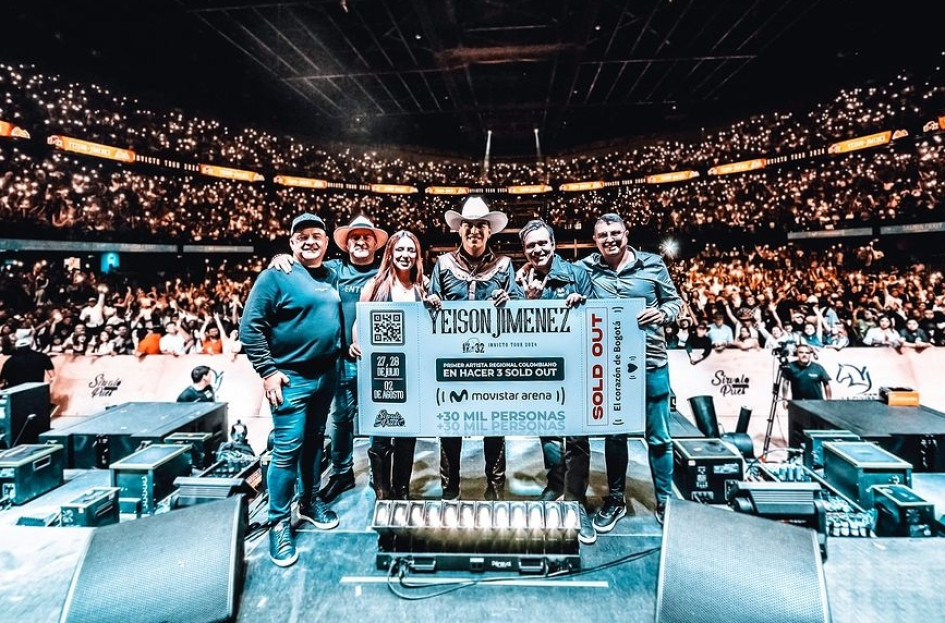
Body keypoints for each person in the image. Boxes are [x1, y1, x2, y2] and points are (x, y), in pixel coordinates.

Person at [240, 212, 342, 568]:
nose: (310, 241)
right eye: (303, 237)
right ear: (292, 242)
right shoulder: (275, 275)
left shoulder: (332, 274)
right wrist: (267, 371)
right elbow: (250, 328)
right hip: (290, 379)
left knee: (315, 440)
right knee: (286, 451)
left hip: (326, 374)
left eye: (317, 235)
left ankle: (310, 500)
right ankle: (278, 522)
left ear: (327, 242)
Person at [271, 215, 387, 503]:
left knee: (378, 418)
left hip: (378, 361)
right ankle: (341, 473)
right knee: (341, 418)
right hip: (342, 359)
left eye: (366, 238)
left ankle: (378, 474)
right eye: (355, 238)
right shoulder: (332, 270)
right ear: (346, 244)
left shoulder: (384, 273)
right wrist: (281, 257)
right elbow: (300, 266)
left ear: (375, 243)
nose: (361, 242)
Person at [577, 213, 682, 530]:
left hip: (651, 363)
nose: (609, 239)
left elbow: (676, 303)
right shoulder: (586, 268)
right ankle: (616, 499)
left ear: (627, 233)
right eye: (602, 235)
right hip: (611, 367)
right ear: (595, 240)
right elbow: (556, 275)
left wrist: (662, 312)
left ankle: (665, 501)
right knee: (614, 435)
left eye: (614, 232)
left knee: (660, 438)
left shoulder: (653, 264)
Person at [427, 197, 524, 500]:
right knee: (450, 427)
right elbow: (428, 309)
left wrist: (510, 302)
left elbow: (522, 308)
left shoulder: (505, 265)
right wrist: (430, 303)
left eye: (481, 226)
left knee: (495, 426)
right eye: (468, 226)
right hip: (452, 361)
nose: (474, 232)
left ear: (489, 231)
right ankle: (450, 490)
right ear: (459, 229)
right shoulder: (442, 265)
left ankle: (494, 490)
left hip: (493, 361)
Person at [515, 219, 596, 543]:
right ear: (524, 250)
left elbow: (596, 319)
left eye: (542, 243)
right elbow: (513, 329)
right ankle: (555, 484)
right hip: (540, 367)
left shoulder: (577, 275)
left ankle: (576, 502)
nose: (537, 250)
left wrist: (582, 305)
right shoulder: (521, 280)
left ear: (554, 243)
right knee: (547, 430)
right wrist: (530, 303)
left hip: (575, 366)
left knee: (577, 436)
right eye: (530, 245)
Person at [349, 231, 426, 500]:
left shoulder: (422, 286)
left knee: (408, 432)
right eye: (400, 250)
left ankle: (402, 488)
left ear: (417, 255)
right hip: (382, 369)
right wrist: (355, 342)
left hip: (413, 370)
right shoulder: (375, 285)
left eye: (411, 250)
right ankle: (382, 489)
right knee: (381, 432)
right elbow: (360, 320)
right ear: (390, 253)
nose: (406, 255)